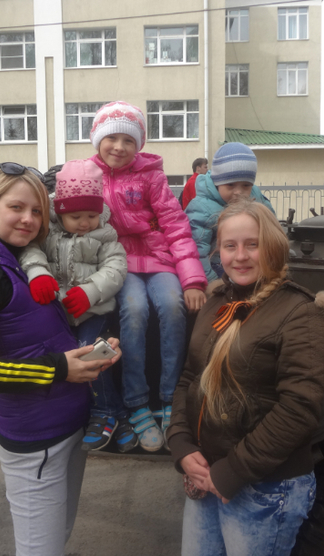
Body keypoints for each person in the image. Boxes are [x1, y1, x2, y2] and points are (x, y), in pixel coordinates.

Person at [0, 162, 122, 556]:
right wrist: (61, 368)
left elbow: (43, 337)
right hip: (36, 439)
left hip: (70, 427)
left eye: (38, 211)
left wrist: (92, 354)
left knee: (57, 539)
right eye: (17, 207)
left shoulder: (27, 260)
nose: (29, 219)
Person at [167, 199, 324, 556]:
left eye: (253, 244)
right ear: (218, 251)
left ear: (273, 247)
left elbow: (298, 409)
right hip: (207, 473)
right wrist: (181, 444)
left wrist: (232, 471)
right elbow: (189, 378)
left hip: (264, 488)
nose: (240, 256)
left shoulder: (301, 313)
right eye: (230, 246)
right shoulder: (215, 302)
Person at [87, 100, 208, 452]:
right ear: (97, 140)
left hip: (159, 259)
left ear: (139, 145)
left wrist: (192, 280)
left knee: (172, 305)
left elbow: (175, 225)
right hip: (118, 262)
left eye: (129, 140)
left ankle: (170, 399)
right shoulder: (89, 175)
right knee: (135, 310)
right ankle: (137, 401)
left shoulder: (151, 177)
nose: (119, 147)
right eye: (112, 138)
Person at [19, 159, 135, 453]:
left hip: (93, 311)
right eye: (76, 216)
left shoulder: (104, 234)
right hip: (58, 312)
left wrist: (90, 291)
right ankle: (118, 416)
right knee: (64, 358)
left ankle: (104, 413)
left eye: (92, 215)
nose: (85, 223)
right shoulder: (47, 232)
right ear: (59, 212)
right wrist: (38, 273)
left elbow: (116, 267)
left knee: (92, 353)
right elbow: (31, 250)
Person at [186, 142, 276, 285]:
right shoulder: (202, 208)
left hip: (252, 261)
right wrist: (212, 282)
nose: (239, 192)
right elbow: (196, 251)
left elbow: (272, 229)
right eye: (230, 185)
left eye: (246, 185)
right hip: (217, 267)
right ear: (217, 183)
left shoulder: (257, 199)